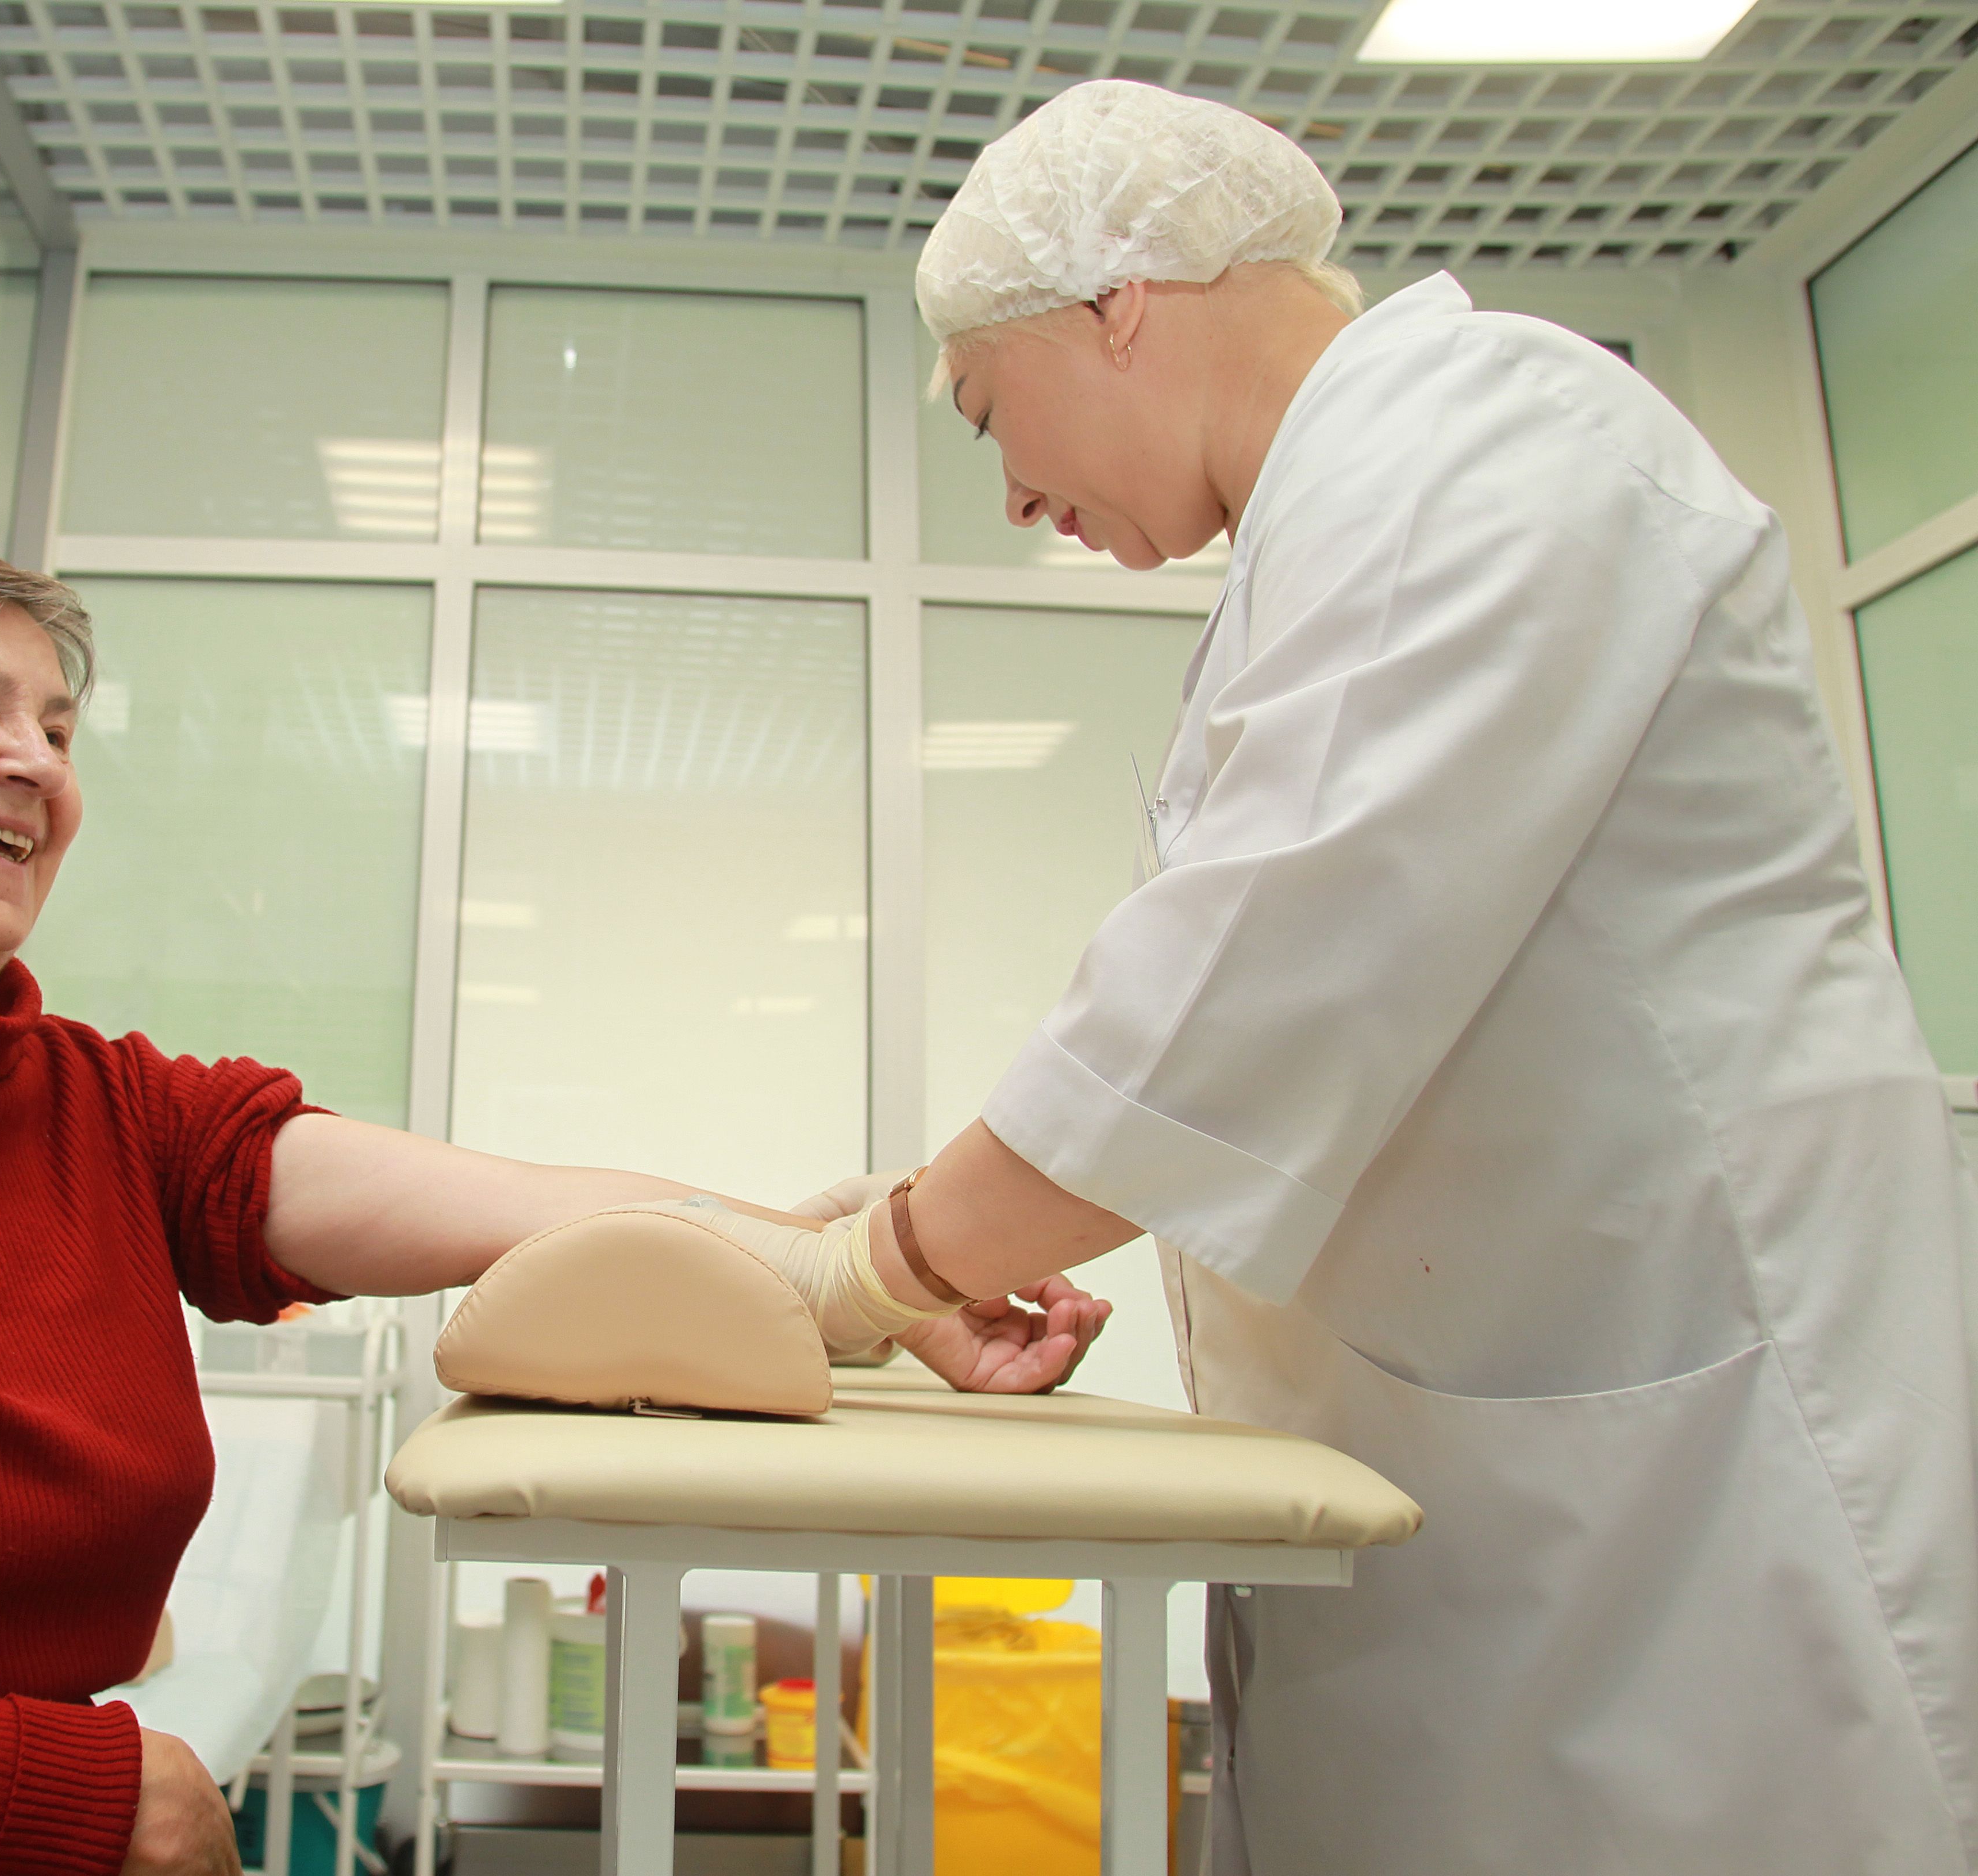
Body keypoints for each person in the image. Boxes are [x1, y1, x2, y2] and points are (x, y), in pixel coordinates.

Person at [0, 541, 1106, 1876]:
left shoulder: (103, 1106)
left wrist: (863, 1277)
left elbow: (510, 1204)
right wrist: (111, 1798)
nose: (35, 760)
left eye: (61, 730)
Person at [743, 78, 1978, 1874]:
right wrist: (965, 1229)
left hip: (1691, 1501)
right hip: (1504, 1492)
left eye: (997, 414)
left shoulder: (1492, 439)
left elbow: (1256, 982)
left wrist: (879, 1267)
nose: (1013, 490)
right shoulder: (1345, 524)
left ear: (1119, 305)